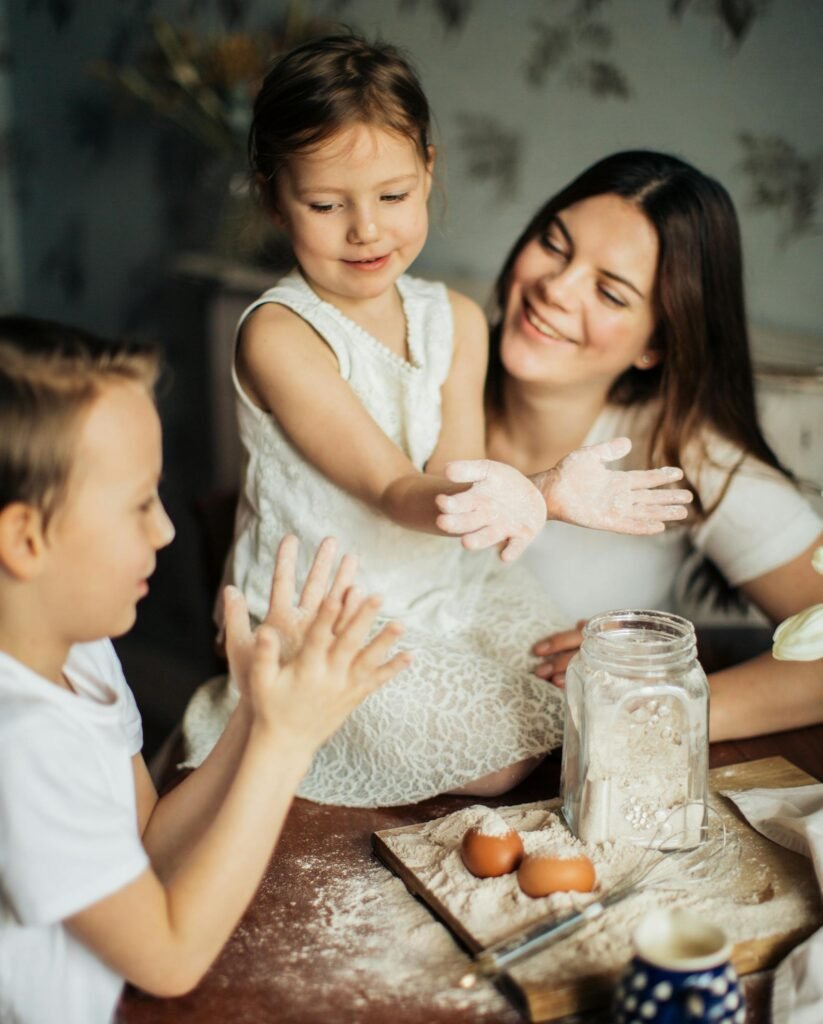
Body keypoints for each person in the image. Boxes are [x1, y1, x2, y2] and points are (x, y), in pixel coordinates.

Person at [180, 36, 691, 807]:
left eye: (392, 195)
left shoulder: (455, 318)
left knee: (578, 689)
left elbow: (456, 483)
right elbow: (392, 487)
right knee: (495, 755)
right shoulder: (279, 333)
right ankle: (258, 708)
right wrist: (542, 493)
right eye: (325, 205)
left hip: (447, 582)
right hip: (327, 613)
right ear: (273, 196)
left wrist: (523, 493)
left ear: (428, 168)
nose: (366, 231)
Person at [0, 315, 407, 1024]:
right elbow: (169, 957)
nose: (164, 529)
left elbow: (148, 846)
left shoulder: (78, 652)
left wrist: (256, 710)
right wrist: (287, 743)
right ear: (25, 538)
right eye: (137, 504)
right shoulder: (20, 740)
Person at [483, 150, 823, 740]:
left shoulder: (680, 453)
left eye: (610, 294)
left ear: (656, 343)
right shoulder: (427, 361)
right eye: (554, 244)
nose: (555, 289)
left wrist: (658, 700)